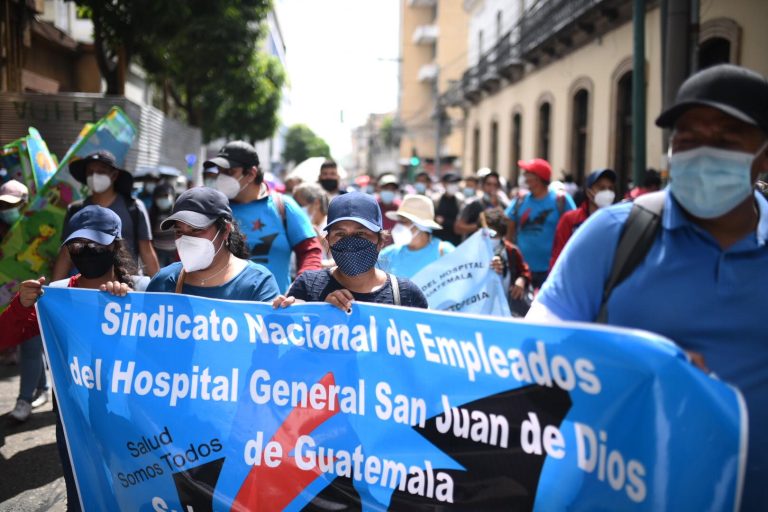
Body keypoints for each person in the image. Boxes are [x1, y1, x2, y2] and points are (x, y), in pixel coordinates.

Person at [528, 64, 768, 510]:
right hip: (616, 492)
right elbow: (534, 342)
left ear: (764, 154)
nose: (702, 152)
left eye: (727, 138)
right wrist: (634, 360)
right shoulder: (617, 232)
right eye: (687, 137)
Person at [1, 204, 148, 511]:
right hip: (75, 422)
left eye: (96, 244)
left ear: (116, 244)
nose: (87, 250)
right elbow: (4, 337)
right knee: (84, 497)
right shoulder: (55, 295)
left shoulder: (141, 291)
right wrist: (21, 306)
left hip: (131, 420)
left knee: (135, 496)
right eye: (78, 245)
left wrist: (125, 304)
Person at [273, 192, 428, 311]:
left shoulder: (406, 295)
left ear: (380, 241)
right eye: (340, 234)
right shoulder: (308, 286)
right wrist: (315, 312)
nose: (350, 243)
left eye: (360, 234)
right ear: (328, 241)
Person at [205, 140, 322, 293]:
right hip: (223, 312)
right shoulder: (215, 209)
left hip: (273, 311)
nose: (221, 178)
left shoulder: (283, 206)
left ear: (251, 174)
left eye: (229, 172)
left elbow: (310, 251)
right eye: (219, 171)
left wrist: (302, 289)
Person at [147, 187, 279, 301]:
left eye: (197, 230)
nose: (187, 239)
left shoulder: (258, 284)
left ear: (225, 230)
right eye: (179, 231)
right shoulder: (162, 282)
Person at [52, 150, 160, 280]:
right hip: (84, 287)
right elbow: (65, 254)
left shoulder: (133, 207)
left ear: (114, 175)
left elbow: (146, 251)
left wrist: (159, 290)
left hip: (126, 286)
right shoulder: (76, 210)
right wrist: (53, 290)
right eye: (90, 172)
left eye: (101, 171)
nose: (94, 175)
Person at [505, 158, 575, 289]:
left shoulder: (562, 200)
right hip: (522, 272)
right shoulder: (520, 201)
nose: (524, 177)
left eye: (527, 173)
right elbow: (507, 225)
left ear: (537, 178)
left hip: (552, 270)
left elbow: (575, 228)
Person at [549, 168, 617, 268]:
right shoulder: (570, 219)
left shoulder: (617, 221)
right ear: (589, 192)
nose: (607, 192)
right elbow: (558, 255)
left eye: (610, 188)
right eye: (601, 188)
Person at [378, 194, 455, 278]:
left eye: (404, 221)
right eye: (399, 221)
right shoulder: (389, 254)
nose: (398, 226)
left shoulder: (444, 252)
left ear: (421, 226)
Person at [485, 207, 532, 317]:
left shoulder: (511, 251)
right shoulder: (474, 250)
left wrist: (522, 280)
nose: (491, 238)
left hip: (506, 309)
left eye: (494, 234)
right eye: (488, 232)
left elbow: (525, 271)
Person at [455, 170, 509, 238]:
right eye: (488, 184)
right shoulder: (472, 204)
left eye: (495, 185)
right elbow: (458, 228)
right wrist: (479, 225)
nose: (492, 188)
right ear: (482, 186)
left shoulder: (503, 205)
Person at [292, 182, 333, 268]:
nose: (296, 209)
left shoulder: (332, 227)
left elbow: (338, 260)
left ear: (317, 203)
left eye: (300, 205)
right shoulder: (302, 226)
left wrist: (316, 264)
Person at [148, 182, 177, 267]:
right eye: (160, 196)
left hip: (175, 253)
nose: (163, 199)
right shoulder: (152, 215)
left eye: (166, 195)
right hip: (158, 253)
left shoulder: (177, 214)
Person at [433, 172, 464, 246]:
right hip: (438, 240)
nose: (453, 186)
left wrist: (444, 221)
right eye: (451, 183)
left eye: (455, 183)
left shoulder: (461, 200)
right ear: (443, 184)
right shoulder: (436, 199)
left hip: (456, 240)